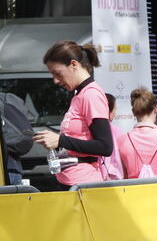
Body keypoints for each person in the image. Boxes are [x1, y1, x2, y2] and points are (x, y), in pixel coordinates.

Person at [32, 40, 115, 186]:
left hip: (84, 184)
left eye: (58, 73)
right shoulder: (80, 95)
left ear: (74, 65)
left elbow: (105, 146)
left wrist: (60, 140)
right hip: (72, 182)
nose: (55, 81)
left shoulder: (91, 95)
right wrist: (56, 142)